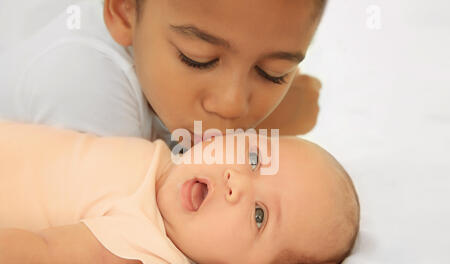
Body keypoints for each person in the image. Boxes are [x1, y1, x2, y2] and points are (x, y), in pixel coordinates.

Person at [0, 121, 359, 264]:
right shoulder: (168, 156)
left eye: (260, 216)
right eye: (253, 159)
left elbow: (42, 256)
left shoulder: (141, 242)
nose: (238, 182)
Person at [0, 0, 325, 147]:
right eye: (198, 59)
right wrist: (278, 120)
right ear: (124, 11)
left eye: (273, 73)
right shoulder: (81, 79)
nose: (232, 105)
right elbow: (134, 226)